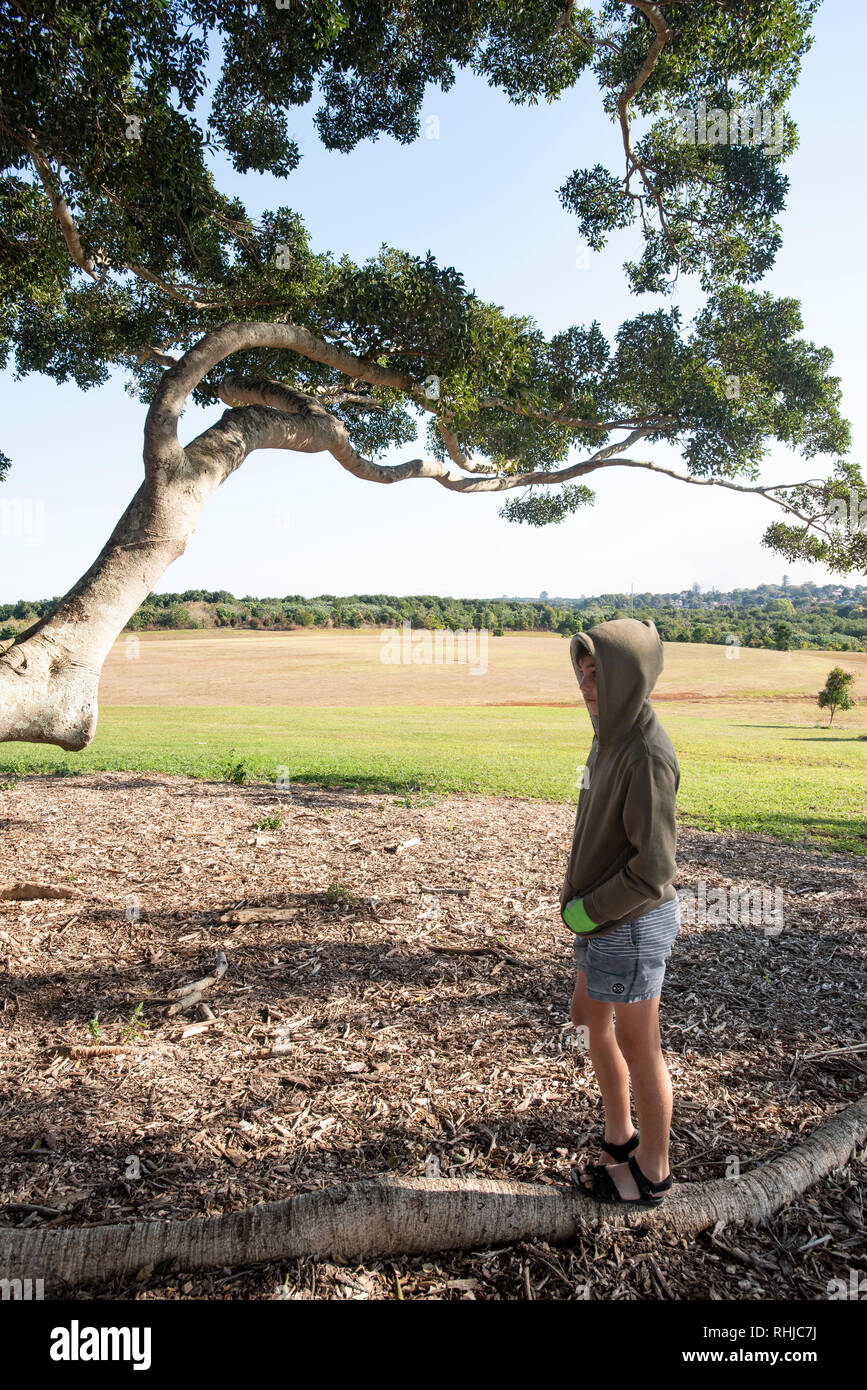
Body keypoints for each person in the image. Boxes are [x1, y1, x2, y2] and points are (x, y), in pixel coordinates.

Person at [560, 617, 680, 1209]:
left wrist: (588, 912)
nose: (587, 686)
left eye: (599, 676)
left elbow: (653, 870)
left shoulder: (647, 755)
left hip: (628, 923)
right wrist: (581, 909)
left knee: (640, 1045)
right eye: (582, 674)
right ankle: (620, 1134)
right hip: (599, 918)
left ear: (627, 679)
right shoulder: (607, 735)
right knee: (587, 1019)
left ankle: (653, 1173)